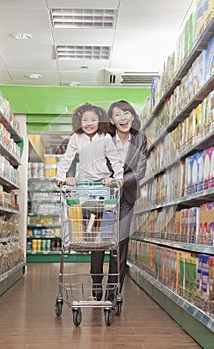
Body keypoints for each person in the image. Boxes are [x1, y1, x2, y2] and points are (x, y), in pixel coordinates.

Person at [90, 100, 147, 301]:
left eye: (126, 113)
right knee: (101, 241)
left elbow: (140, 170)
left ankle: (114, 292)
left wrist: (121, 181)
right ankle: (96, 281)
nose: (123, 118)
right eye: (117, 115)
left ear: (132, 116)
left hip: (126, 199)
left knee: (121, 244)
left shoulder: (140, 139)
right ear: (111, 120)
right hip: (106, 198)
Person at [56, 103, 124, 186]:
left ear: (100, 121)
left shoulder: (105, 137)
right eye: (85, 120)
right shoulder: (76, 137)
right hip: (83, 181)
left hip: (103, 182)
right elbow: (67, 158)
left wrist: (118, 176)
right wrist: (61, 177)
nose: (89, 123)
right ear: (79, 122)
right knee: (82, 199)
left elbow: (114, 159)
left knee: (104, 199)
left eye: (93, 120)